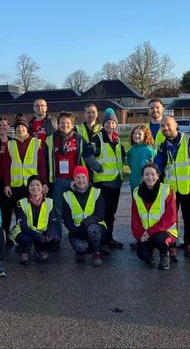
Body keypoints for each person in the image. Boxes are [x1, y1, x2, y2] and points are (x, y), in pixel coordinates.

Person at [155, 116, 190, 259]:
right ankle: (171, 246)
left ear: (176, 125)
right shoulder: (162, 146)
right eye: (162, 126)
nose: (165, 128)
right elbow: (157, 167)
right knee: (170, 220)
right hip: (170, 191)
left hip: (189, 189)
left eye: (168, 125)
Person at [45, 111, 101, 241]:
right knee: (57, 211)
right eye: (62, 123)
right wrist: (45, 181)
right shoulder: (51, 140)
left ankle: (81, 235)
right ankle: (57, 238)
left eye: (68, 123)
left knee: (78, 209)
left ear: (72, 124)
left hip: (75, 181)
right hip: (58, 181)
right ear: (58, 124)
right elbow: (45, 160)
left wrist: (99, 168)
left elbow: (87, 156)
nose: (65, 125)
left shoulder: (79, 139)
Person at [90, 108, 125, 249]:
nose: (110, 125)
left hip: (116, 182)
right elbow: (88, 156)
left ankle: (109, 238)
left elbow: (122, 158)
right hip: (103, 183)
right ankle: (102, 241)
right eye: (108, 123)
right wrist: (98, 168)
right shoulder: (97, 138)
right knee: (103, 213)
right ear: (103, 124)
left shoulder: (117, 139)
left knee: (111, 213)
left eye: (113, 123)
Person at [131, 163, 177, 270]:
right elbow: (135, 218)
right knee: (142, 254)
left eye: (153, 174)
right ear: (142, 177)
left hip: (164, 231)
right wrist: (140, 235)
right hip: (146, 232)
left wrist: (150, 232)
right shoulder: (136, 192)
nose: (150, 177)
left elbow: (170, 217)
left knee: (159, 239)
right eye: (146, 174)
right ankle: (149, 255)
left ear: (158, 175)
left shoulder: (167, 190)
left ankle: (165, 255)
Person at [62, 166, 106, 266]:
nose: (81, 180)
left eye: (83, 177)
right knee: (81, 247)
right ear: (74, 179)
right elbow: (66, 218)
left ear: (87, 178)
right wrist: (75, 231)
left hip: (95, 227)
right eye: (78, 177)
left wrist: (84, 224)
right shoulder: (67, 195)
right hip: (77, 230)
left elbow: (100, 214)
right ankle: (81, 252)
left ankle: (96, 253)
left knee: (92, 229)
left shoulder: (96, 192)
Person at [3, 114, 48, 208]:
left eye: (22, 126)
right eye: (18, 127)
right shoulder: (10, 144)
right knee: (19, 213)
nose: (20, 129)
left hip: (32, 185)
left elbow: (41, 165)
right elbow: (6, 166)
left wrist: (44, 183)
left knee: (33, 212)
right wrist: (6, 184)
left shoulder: (36, 143)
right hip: (16, 186)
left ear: (26, 128)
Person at [14, 175, 58, 265]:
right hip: (25, 233)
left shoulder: (50, 202)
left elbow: (53, 223)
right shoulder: (21, 202)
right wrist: (39, 237)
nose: (35, 187)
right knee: (26, 239)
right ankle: (25, 250)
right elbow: (24, 227)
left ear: (42, 187)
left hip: (41, 232)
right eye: (31, 185)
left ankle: (38, 248)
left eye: (38, 185)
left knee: (55, 239)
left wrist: (49, 235)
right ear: (28, 188)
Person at [0, 117, 14, 245]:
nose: (2, 127)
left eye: (4, 125)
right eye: (0, 125)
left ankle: (6, 232)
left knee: (7, 209)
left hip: (8, 180)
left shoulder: (12, 142)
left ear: (8, 127)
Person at [126, 125, 157, 192]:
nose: (136, 136)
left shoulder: (147, 150)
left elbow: (146, 169)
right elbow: (130, 162)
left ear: (145, 136)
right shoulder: (133, 148)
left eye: (140, 134)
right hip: (134, 182)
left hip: (143, 184)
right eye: (135, 133)